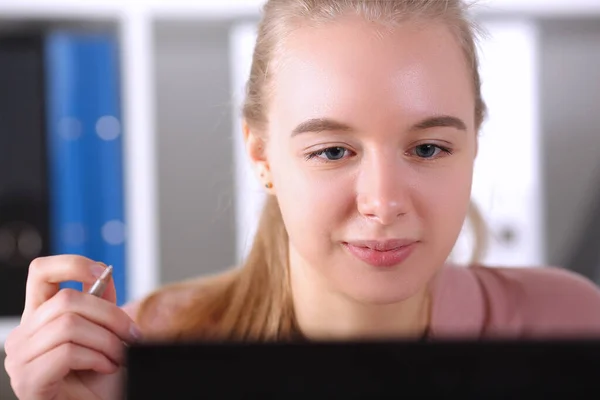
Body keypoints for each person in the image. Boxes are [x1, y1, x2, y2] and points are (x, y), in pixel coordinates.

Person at [5, 0, 600, 398]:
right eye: (333, 151)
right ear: (262, 157)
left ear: (474, 143)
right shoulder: (142, 354)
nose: (383, 202)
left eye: (428, 148)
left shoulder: (574, 327)